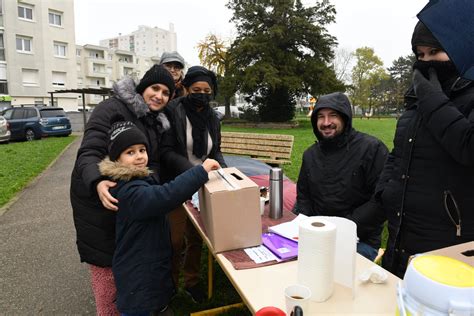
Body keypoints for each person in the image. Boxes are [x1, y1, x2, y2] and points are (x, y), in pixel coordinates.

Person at [70, 64, 175, 315]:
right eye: (155, 88)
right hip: (98, 200)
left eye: (166, 92)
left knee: (127, 263)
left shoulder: (153, 122)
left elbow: (153, 163)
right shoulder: (111, 108)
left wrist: (151, 189)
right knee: (106, 265)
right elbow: (90, 151)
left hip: (129, 201)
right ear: (142, 88)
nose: (159, 96)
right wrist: (97, 181)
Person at [374, 21, 474, 278]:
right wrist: (384, 193)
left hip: (450, 242)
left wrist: (433, 100)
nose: (426, 61)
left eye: (434, 51)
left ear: (459, 49)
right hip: (402, 238)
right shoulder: (416, 100)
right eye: (420, 54)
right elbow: (398, 154)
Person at [98, 119, 220, 316]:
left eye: (142, 150)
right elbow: (164, 196)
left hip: (150, 273)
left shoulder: (139, 179)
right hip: (138, 283)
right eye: (130, 152)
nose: (139, 156)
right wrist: (200, 171)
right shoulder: (129, 191)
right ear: (117, 159)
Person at [293, 92, 388, 261]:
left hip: (359, 241)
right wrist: (302, 228)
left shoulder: (372, 149)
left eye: (333, 116)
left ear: (345, 118)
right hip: (316, 236)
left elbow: (381, 201)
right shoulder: (310, 155)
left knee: (327, 271)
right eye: (321, 117)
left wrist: (341, 230)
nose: (326, 122)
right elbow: (304, 198)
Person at [160, 65, 227, 303]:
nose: (201, 94)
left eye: (206, 90)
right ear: (186, 88)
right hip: (177, 182)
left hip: (203, 184)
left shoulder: (212, 117)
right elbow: (166, 151)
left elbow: (215, 150)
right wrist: (194, 172)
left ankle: (192, 281)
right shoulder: (171, 111)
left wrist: (226, 172)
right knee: (175, 239)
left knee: (197, 237)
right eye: (196, 89)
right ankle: (168, 285)